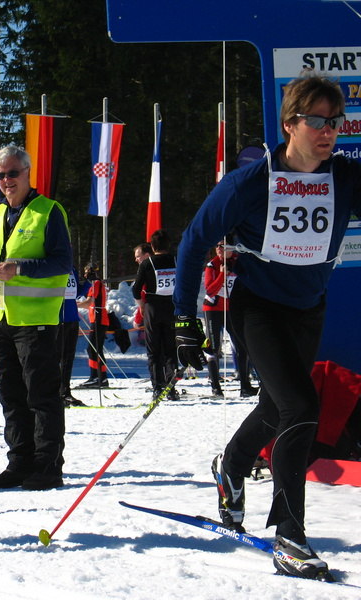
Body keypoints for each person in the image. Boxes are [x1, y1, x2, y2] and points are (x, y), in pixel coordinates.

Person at [173, 71, 359, 580]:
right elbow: (193, 242)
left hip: (309, 307)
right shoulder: (251, 183)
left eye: (335, 122)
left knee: (279, 408)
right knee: (301, 405)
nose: (328, 131)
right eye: (317, 121)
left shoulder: (345, 177)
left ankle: (232, 464)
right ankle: (290, 536)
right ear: (289, 124)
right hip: (257, 307)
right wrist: (185, 319)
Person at [0, 145, 72, 491]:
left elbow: (62, 262)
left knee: (41, 396)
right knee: (11, 396)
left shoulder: (48, 211)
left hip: (36, 320)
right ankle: (20, 462)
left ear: (28, 172)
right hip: (0, 317)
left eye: (12, 173)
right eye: (0, 175)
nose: (6, 181)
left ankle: (48, 466)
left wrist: (20, 268)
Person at [201, 241, 256, 398]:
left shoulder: (238, 263)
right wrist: (222, 275)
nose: (219, 249)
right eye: (217, 246)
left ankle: (245, 386)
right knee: (213, 347)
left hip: (232, 309)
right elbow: (210, 290)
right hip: (213, 310)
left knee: (242, 345)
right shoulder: (213, 265)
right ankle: (215, 387)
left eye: (223, 246)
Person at [132, 230, 178, 400]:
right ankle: (170, 388)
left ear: (152, 246)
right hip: (171, 307)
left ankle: (157, 388)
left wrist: (141, 306)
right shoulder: (175, 260)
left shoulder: (147, 263)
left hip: (153, 308)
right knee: (170, 349)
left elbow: (136, 289)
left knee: (154, 350)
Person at [76, 264, 110, 389]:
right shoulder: (98, 283)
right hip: (99, 318)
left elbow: (89, 302)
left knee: (92, 349)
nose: (85, 275)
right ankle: (101, 377)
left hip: (98, 319)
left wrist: (73, 305)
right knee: (97, 349)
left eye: (86, 273)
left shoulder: (95, 284)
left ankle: (95, 376)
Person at [58, 267, 84, 406]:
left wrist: (88, 282)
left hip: (72, 317)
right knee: (58, 357)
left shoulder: (72, 269)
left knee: (68, 357)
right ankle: (56, 392)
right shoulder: (56, 265)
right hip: (58, 318)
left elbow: (76, 293)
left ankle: (65, 391)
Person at [132, 242, 152, 330]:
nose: (136, 260)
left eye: (138, 257)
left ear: (147, 255)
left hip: (152, 312)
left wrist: (138, 319)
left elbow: (141, 294)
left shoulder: (145, 271)